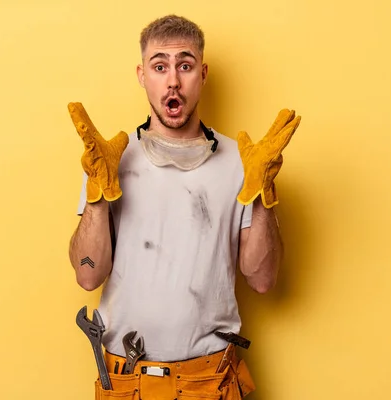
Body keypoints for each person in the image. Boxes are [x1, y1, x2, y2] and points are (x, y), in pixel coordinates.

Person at [68, 14, 300, 400]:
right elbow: (88, 275)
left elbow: (262, 280)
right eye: (160, 66)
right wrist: (96, 194)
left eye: (185, 65)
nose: (173, 80)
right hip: (126, 381)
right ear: (143, 75)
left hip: (210, 381)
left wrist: (262, 192)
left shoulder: (242, 161)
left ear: (202, 73)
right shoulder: (109, 160)